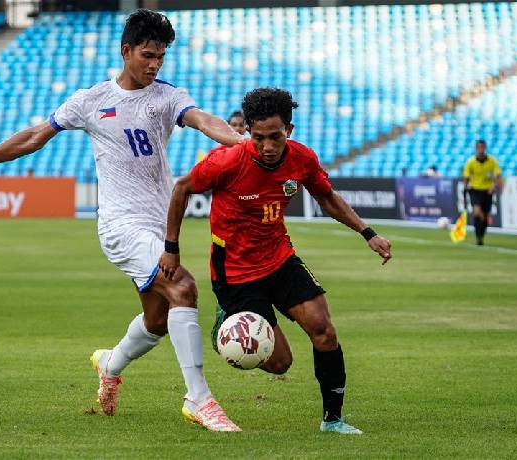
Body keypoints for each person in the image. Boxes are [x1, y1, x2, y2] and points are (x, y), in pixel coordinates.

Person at [0, 9, 243, 431]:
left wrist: (240, 140)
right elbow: (32, 137)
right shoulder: (91, 100)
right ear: (126, 51)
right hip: (119, 226)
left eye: (161, 58)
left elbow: (204, 120)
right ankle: (199, 400)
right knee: (184, 289)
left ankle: (110, 366)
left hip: (154, 225)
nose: (154, 64)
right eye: (148, 55)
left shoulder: (168, 96)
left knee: (157, 321)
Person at [159, 88, 393, 435]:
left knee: (323, 329)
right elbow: (181, 189)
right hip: (235, 273)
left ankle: (333, 420)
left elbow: (326, 198)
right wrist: (171, 247)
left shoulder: (302, 159)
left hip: (279, 258)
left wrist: (367, 232)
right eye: (258, 138)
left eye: (275, 137)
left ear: (290, 130)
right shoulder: (227, 161)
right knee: (280, 362)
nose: (267, 146)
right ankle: (225, 327)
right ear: (247, 132)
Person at [463, 140, 503, 245]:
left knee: (485, 216)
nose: (480, 149)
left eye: (482, 147)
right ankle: (478, 236)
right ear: (476, 148)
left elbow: (498, 175)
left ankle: (481, 237)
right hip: (475, 190)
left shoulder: (492, 161)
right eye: (478, 147)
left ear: (485, 148)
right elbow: (466, 177)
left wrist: (494, 186)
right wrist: (465, 189)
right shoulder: (471, 161)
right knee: (477, 213)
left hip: (487, 191)